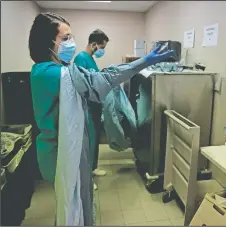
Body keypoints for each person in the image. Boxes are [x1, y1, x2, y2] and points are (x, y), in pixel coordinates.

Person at [28, 12, 173, 225]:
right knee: (70, 205)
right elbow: (100, 80)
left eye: (71, 36)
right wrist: (142, 62)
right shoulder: (49, 73)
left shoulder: (61, 68)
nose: (72, 43)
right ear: (47, 42)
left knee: (78, 199)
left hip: (74, 146)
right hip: (61, 152)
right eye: (65, 38)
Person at [74, 30, 109, 190]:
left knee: (94, 141)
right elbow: (82, 84)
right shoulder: (81, 58)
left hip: (95, 108)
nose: (102, 50)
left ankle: (93, 168)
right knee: (87, 143)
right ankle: (86, 177)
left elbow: (94, 78)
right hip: (87, 108)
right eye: (102, 47)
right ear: (94, 44)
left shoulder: (91, 59)